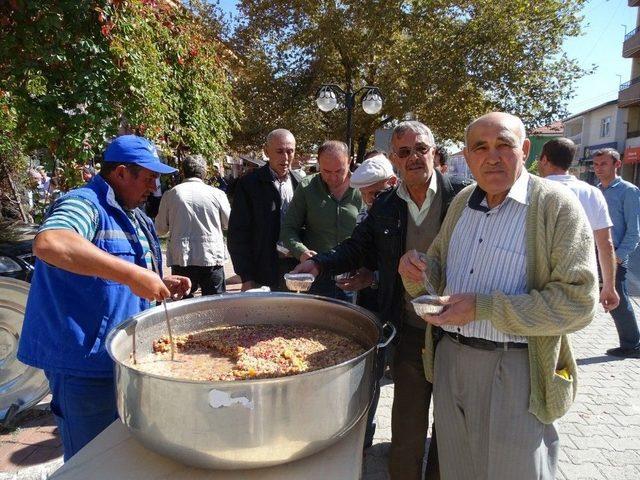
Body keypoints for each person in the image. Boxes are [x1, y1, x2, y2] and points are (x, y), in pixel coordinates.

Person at [398, 112, 598, 480]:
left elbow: (579, 304)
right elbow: (440, 272)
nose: (492, 156)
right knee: (456, 471)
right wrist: (418, 270)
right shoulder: (461, 202)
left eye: (503, 145)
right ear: (467, 156)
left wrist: (485, 308)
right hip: (449, 360)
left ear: (524, 150)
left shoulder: (555, 206)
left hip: (516, 369)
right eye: (480, 147)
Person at [293, 121, 469, 480]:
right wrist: (317, 264)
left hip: (460, 333)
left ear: (434, 151)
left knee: (451, 425)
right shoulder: (386, 205)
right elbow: (357, 248)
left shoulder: (463, 197)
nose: (414, 157)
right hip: (408, 329)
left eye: (421, 148)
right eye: (404, 152)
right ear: (394, 159)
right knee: (406, 422)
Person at [17, 135, 191, 461]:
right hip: (84, 365)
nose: (154, 187)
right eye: (149, 177)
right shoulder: (83, 203)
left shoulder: (136, 215)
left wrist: (157, 280)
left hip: (126, 362)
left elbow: (115, 270)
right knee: (92, 460)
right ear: (121, 173)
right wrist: (132, 275)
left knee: (126, 455)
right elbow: (51, 243)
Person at [538, 138, 619, 312]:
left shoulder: (534, 190)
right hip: (577, 280)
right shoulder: (592, 193)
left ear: (544, 159)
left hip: (537, 279)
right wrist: (609, 287)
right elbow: (606, 244)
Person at [280, 140, 363, 300]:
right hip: (316, 274)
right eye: (326, 171)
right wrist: (301, 252)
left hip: (354, 276)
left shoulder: (363, 187)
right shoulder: (306, 187)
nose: (333, 177)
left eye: (339, 170)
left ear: (350, 161)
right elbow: (289, 229)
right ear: (318, 163)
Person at [228, 129, 300, 291]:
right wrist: (246, 277)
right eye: (280, 151)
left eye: (290, 151)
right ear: (267, 151)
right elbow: (238, 233)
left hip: (296, 270)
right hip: (263, 272)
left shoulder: (301, 183)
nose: (286, 158)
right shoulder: (249, 185)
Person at [155, 154, 231, 296]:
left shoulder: (171, 194)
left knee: (185, 308)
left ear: (183, 171)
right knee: (216, 305)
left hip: (182, 258)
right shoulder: (217, 194)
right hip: (211, 256)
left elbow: (160, 229)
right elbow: (228, 223)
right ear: (205, 172)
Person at [593, 148, 640, 358]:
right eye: (595, 164)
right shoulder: (595, 191)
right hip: (594, 253)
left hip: (615, 256)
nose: (598, 168)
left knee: (618, 299)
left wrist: (618, 257)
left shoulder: (628, 191)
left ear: (616, 165)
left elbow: (634, 231)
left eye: (603, 164)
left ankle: (633, 345)